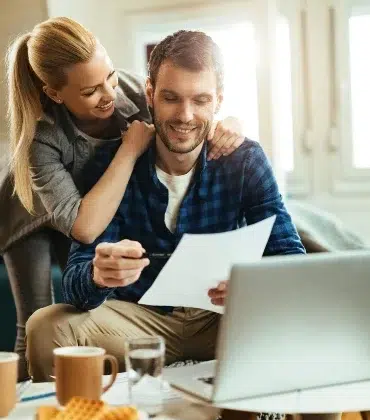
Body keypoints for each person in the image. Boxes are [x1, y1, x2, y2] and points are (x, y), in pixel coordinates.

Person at [25, 30, 341, 420]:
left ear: (219, 101)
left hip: (225, 320)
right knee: (44, 328)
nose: (185, 115)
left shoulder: (243, 159)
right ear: (150, 93)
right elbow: (74, 278)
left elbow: (288, 255)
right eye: (171, 97)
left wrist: (255, 288)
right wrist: (97, 275)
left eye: (201, 100)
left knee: (320, 331)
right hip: (142, 321)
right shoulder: (113, 166)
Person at [1, 17, 245, 380]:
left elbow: (187, 122)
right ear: (55, 94)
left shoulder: (131, 90)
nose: (109, 95)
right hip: (34, 213)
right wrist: (129, 151)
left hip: (98, 196)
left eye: (109, 77)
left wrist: (231, 125)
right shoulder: (42, 141)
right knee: (37, 320)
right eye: (90, 92)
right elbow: (84, 228)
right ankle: (24, 407)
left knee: (93, 293)